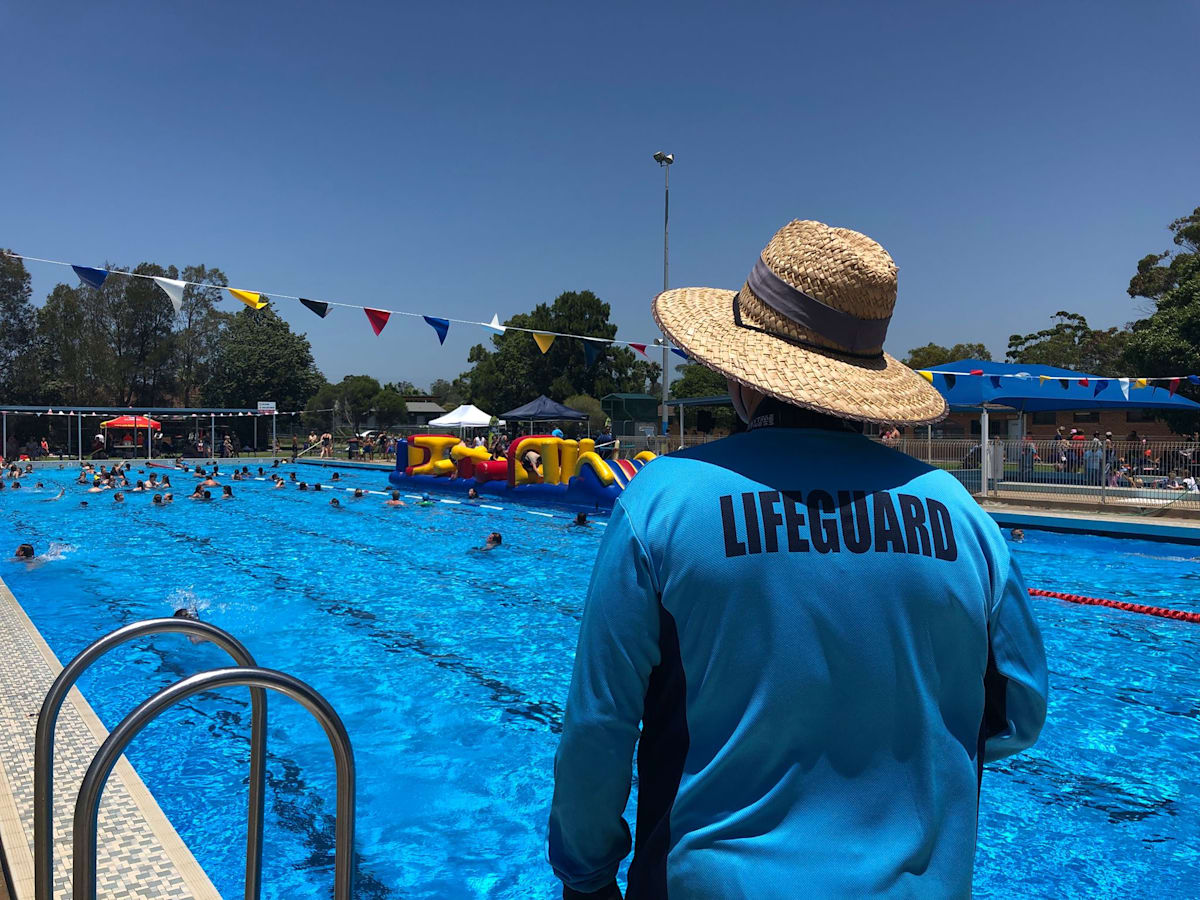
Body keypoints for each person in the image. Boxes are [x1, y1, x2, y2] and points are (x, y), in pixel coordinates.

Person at [548, 219, 1048, 899]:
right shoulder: (963, 515)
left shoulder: (663, 500)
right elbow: (1018, 711)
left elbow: (599, 726)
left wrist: (585, 875)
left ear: (743, 374)